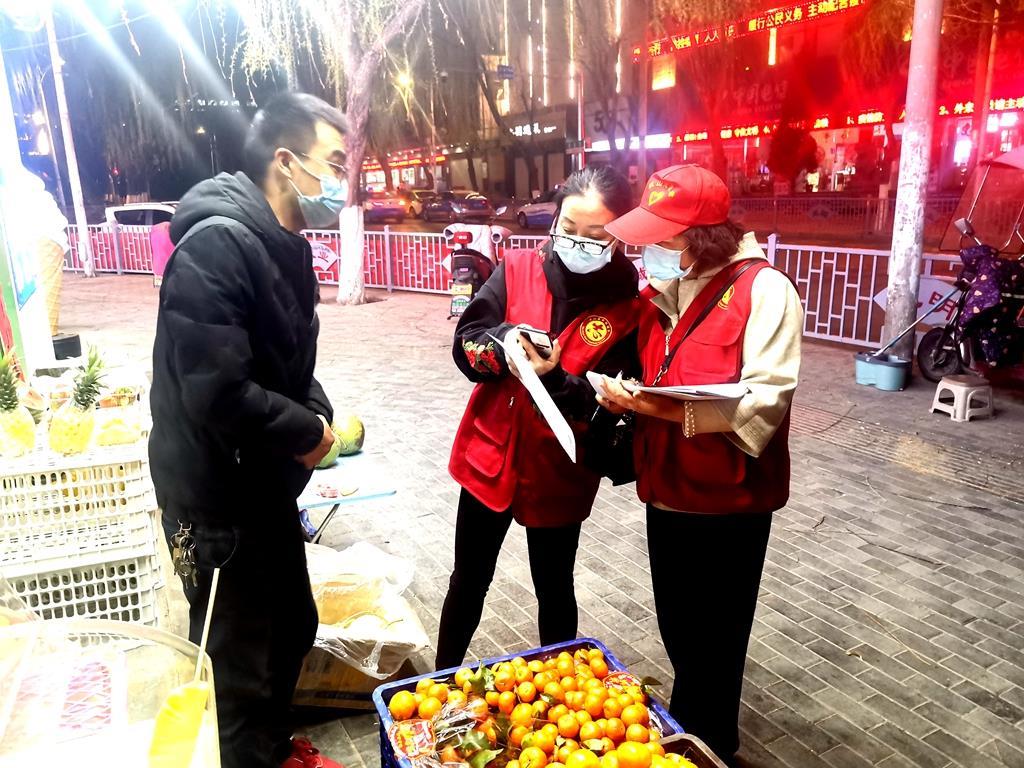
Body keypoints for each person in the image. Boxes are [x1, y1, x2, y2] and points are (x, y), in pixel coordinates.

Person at [149, 92, 348, 768]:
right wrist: (305, 432)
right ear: (286, 162)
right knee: (237, 670)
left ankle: (272, 749)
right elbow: (218, 390)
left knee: (292, 628)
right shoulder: (216, 245)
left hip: (260, 485)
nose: (344, 182)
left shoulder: (282, 247)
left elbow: (289, 368)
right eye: (335, 164)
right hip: (215, 500)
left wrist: (317, 417)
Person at [597, 164, 802, 763]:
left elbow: (766, 400)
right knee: (679, 631)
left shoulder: (765, 291)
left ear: (701, 236)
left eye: (662, 238)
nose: (650, 252)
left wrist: (660, 408)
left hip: (728, 503)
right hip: (665, 491)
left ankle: (709, 748)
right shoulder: (665, 292)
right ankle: (694, 735)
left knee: (717, 642)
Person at [437, 166, 641, 668]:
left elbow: (614, 404)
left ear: (619, 236)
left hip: (560, 472)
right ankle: (440, 680)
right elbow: (467, 344)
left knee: (554, 588)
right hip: (490, 458)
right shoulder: (517, 269)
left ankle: (559, 690)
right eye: (568, 228)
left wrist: (558, 381)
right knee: (469, 579)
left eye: (595, 235)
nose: (577, 243)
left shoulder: (628, 311)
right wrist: (504, 344)